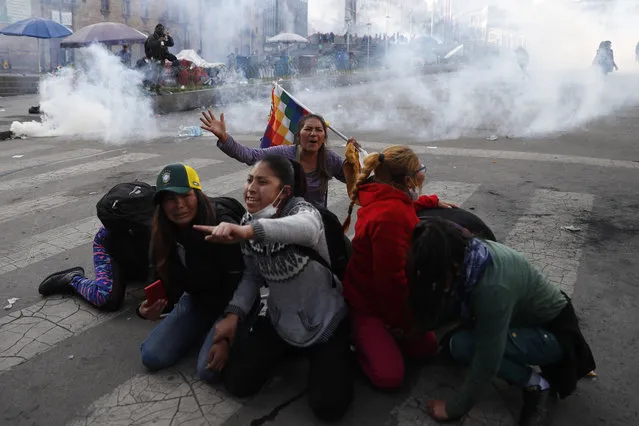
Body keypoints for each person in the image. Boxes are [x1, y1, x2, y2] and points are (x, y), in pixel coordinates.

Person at [193, 155, 353, 422]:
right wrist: (233, 316)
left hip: (325, 322)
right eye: (249, 180)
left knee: (329, 407)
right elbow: (252, 276)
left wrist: (246, 232)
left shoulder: (305, 213)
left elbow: (304, 228)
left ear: (284, 191)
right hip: (280, 321)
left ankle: (338, 354)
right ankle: (290, 351)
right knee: (237, 383)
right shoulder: (248, 220)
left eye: (262, 182)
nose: (251, 188)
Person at [407, 217, 596, 426]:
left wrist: (453, 409)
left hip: (554, 335)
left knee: (468, 347)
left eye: (436, 276)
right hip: (524, 320)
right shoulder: (471, 254)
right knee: (455, 345)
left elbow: (487, 361)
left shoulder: (492, 289)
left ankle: (537, 384)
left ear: (453, 266)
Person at [341, 146, 456, 390]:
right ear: (406, 180)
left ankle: (383, 338)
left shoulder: (386, 197)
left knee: (426, 347)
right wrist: (403, 325)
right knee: (389, 376)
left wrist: (428, 201)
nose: (423, 172)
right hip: (368, 304)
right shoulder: (390, 216)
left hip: (387, 298)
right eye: (420, 170)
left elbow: (404, 207)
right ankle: (354, 338)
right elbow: (390, 284)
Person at [139, 164, 246, 384]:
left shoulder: (221, 226)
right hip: (197, 299)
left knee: (207, 372)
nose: (179, 205)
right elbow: (158, 279)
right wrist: (146, 309)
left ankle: (231, 332)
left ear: (197, 194)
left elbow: (244, 281)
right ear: (161, 205)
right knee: (151, 356)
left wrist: (226, 331)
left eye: (185, 195)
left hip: (233, 302)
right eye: (169, 198)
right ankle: (203, 328)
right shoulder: (162, 232)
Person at [200, 111, 359, 209]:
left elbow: (356, 182)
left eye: (319, 130)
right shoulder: (284, 153)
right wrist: (224, 137)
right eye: (308, 129)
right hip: (284, 221)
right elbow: (250, 156)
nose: (313, 134)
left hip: (317, 223)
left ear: (324, 137)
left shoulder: (329, 159)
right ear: (298, 135)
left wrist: (355, 160)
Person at [38, 182, 156, 311]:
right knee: (107, 299)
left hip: (142, 250)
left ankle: (130, 272)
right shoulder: (113, 238)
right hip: (120, 244)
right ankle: (72, 279)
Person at [144, 24, 179, 94]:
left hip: (162, 57)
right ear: (156, 29)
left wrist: (169, 37)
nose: (161, 30)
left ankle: (157, 88)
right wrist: (159, 41)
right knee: (156, 73)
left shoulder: (163, 36)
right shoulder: (152, 37)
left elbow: (171, 44)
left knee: (160, 73)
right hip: (155, 58)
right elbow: (150, 45)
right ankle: (153, 88)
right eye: (160, 29)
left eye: (162, 29)